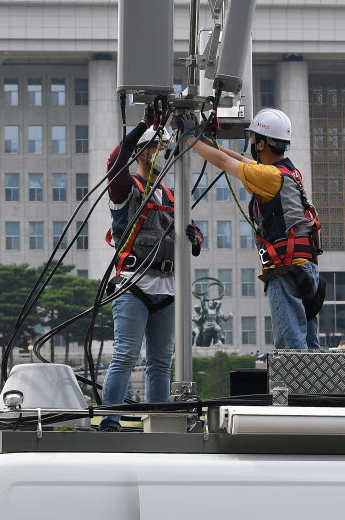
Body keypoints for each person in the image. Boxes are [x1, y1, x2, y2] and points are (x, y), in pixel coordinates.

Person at [179, 108, 323, 349]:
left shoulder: (268, 176)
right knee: (308, 345)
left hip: (286, 271)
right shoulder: (287, 172)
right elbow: (237, 158)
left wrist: (188, 139)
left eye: (255, 138)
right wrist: (201, 138)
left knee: (291, 348)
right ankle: (313, 387)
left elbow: (225, 163)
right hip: (305, 270)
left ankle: (296, 388)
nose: (253, 143)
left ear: (262, 144)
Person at [98, 106, 202, 432]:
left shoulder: (173, 194)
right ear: (142, 153)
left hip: (168, 288)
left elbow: (194, 231)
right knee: (125, 357)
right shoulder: (127, 189)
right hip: (134, 285)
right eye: (156, 147)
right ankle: (110, 422)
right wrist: (145, 124)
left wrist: (195, 239)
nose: (163, 154)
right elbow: (115, 162)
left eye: (164, 147)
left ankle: (159, 424)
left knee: (160, 364)